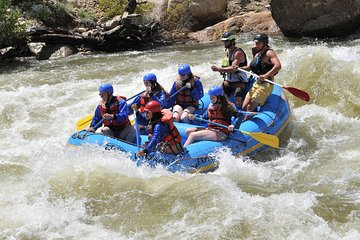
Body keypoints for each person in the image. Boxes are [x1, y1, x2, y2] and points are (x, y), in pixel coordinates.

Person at [242, 33, 282, 120]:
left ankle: (244, 123)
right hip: (258, 83)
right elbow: (250, 67)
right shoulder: (258, 54)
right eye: (255, 43)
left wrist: (265, 75)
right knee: (244, 106)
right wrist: (238, 68)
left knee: (249, 108)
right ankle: (254, 113)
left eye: (258, 43)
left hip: (266, 85)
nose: (256, 45)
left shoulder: (269, 53)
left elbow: (278, 65)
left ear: (264, 43)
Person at [211, 31, 249, 108]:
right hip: (229, 81)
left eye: (226, 41)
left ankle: (238, 111)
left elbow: (233, 69)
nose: (224, 43)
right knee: (221, 94)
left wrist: (219, 69)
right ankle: (224, 107)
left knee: (238, 97)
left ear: (232, 41)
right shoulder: (228, 51)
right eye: (223, 41)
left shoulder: (238, 53)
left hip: (239, 82)